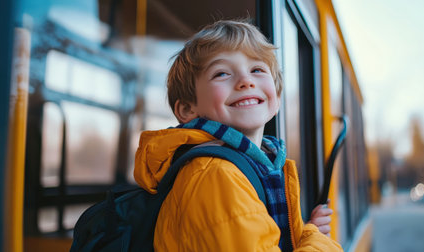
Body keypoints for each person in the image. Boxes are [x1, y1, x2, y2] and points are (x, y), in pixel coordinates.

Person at [134, 19, 342, 251]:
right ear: (187, 109)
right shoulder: (215, 175)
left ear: (277, 98)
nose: (245, 81)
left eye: (257, 70)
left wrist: (305, 232)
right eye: (221, 73)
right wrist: (318, 241)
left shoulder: (255, 164)